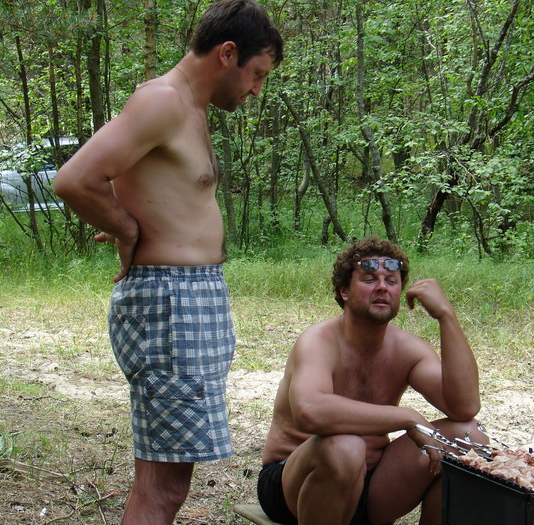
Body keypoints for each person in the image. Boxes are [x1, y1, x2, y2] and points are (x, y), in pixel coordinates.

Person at [54, 2, 283, 523]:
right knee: (163, 487)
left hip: (188, 301)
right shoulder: (162, 101)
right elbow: (74, 180)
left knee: (166, 481)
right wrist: (126, 228)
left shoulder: (188, 108)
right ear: (227, 53)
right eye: (256, 74)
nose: (256, 90)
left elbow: (133, 180)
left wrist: (128, 215)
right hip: (172, 304)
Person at [258, 237, 487, 525]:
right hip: (295, 484)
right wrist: (407, 418)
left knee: (469, 437)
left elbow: (464, 407)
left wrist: (446, 316)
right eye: (369, 279)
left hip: (373, 483)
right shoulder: (318, 341)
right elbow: (310, 412)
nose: (382, 287)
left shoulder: (408, 350)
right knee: (346, 446)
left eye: (391, 280)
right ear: (344, 291)